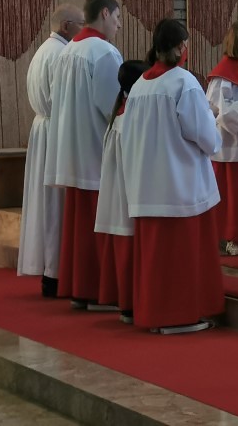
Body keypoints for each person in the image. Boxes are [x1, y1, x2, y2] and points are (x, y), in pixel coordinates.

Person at [121, 19, 223, 334]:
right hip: (179, 183)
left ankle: (155, 313)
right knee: (182, 256)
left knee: (157, 258)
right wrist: (213, 122)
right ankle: (181, 314)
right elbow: (203, 135)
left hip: (146, 183)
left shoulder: (140, 85)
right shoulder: (183, 82)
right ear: (180, 47)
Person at [43, 0, 123, 308]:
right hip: (95, 150)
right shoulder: (103, 52)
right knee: (98, 224)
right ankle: (96, 292)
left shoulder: (68, 51)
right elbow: (112, 105)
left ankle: (79, 288)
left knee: (79, 226)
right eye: (116, 18)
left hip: (71, 150)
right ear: (104, 13)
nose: (118, 25)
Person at [17, 4, 85, 297]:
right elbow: (64, 100)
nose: (84, 28)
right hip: (56, 130)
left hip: (43, 129)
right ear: (67, 26)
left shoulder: (44, 50)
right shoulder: (61, 54)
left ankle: (50, 269)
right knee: (56, 204)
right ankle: (56, 272)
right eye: (81, 23)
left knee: (46, 204)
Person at [94, 60, 148, 324]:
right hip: (129, 191)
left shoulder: (120, 112)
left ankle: (127, 304)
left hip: (119, 191)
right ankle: (131, 303)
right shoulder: (130, 118)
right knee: (131, 244)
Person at [206, 20, 238, 256]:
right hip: (230, 143)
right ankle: (232, 238)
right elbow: (219, 109)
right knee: (232, 196)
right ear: (236, 42)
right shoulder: (223, 74)